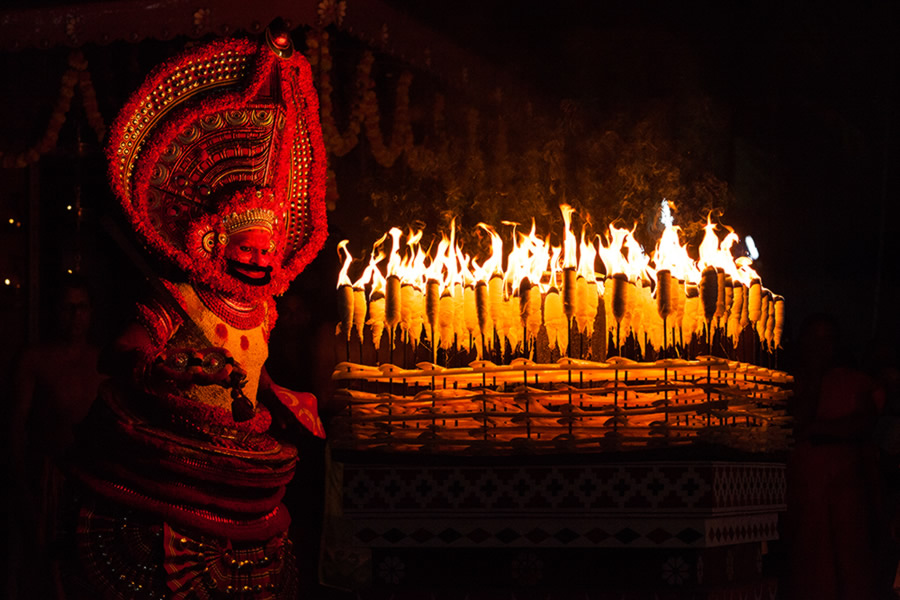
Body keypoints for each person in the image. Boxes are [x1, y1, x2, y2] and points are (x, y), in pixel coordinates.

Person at [63, 27, 329, 599]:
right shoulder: (179, 296)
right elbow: (122, 353)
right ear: (215, 246)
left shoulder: (262, 311)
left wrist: (282, 393)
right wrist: (180, 372)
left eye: (266, 252)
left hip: (238, 466)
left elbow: (246, 374)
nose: (258, 262)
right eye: (247, 251)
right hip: (166, 464)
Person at [10, 275, 106, 599]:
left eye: (81, 307)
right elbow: (15, 428)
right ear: (56, 311)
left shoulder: (102, 361)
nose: (75, 315)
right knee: (45, 570)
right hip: (48, 480)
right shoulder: (36, 360)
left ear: (91, 312)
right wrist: (23, 487)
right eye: (68, 308)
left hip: (93, 483)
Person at [785, 314, 883, 600]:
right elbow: (791, 425)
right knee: (807, 569)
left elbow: (866, 426)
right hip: (802, 491)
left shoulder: (858, 383)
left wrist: (817, 429)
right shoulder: (787, 383)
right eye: (813, 339)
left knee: (850, 571)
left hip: (846, 495)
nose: (819, 347)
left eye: (826, 340)